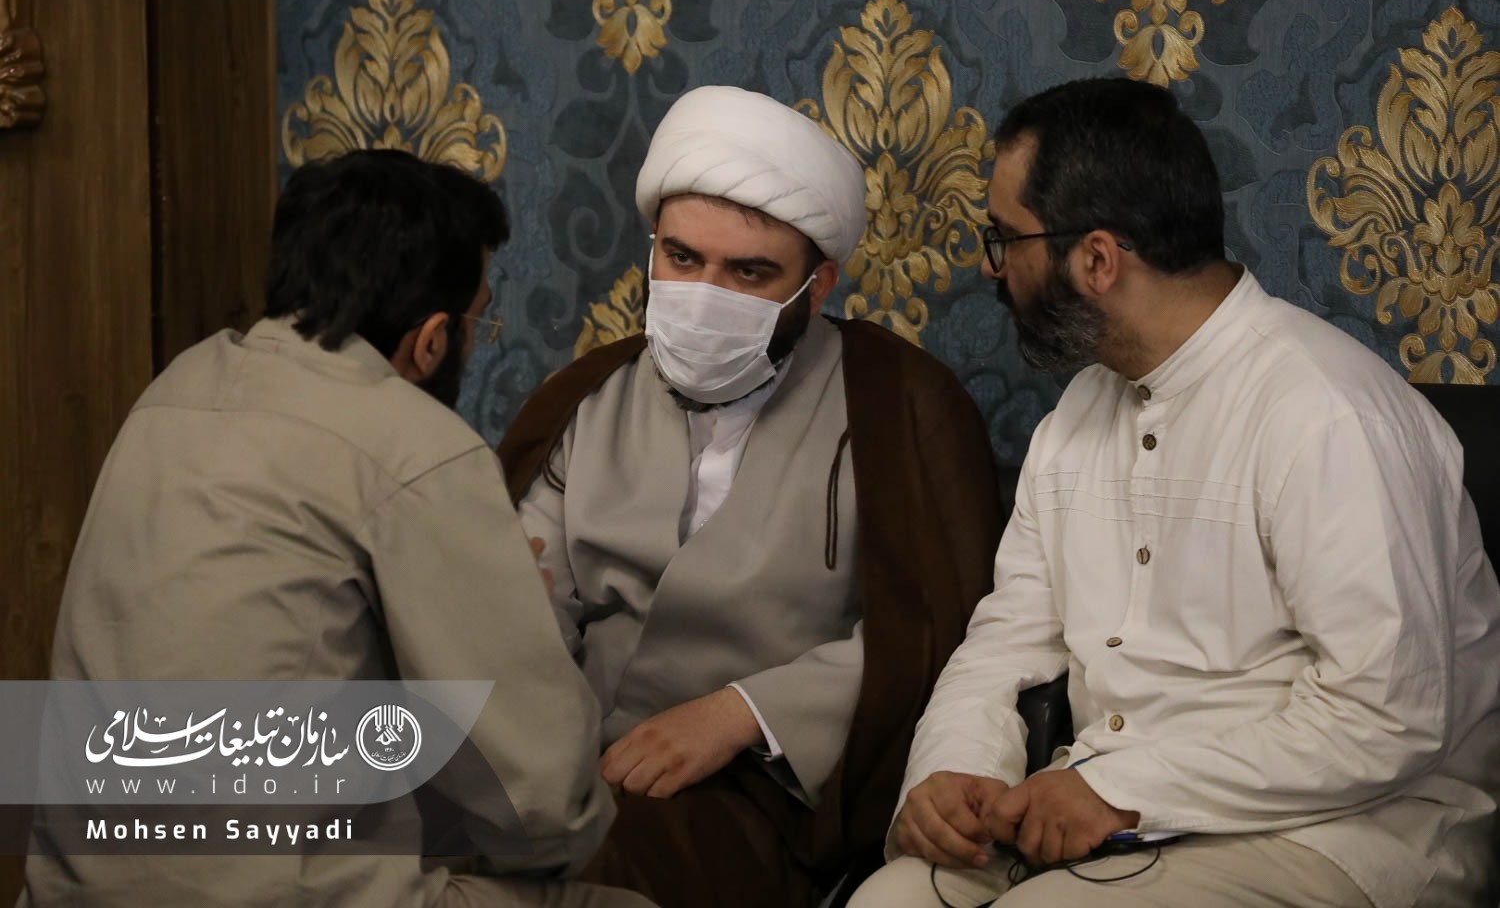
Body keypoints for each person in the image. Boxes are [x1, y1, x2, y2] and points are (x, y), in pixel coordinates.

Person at [849, 77, 1500, 907]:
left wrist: (1124, 791)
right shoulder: (1080, 413)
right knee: (890, 900)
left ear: (1096, 259)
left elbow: (1390, 717)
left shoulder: (1327, 413)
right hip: (1107, 809)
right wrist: (954, 771)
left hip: (1344, 834)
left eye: (1005, 238)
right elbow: (1009, 639)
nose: (991, 266)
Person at [22, 150, 653, 908]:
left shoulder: (171, 392)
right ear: (431, 339)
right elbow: (545, 808)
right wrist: (516, 610)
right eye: (476, 322)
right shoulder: (415, 444)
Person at [496, 85, 1004, 908]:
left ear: (818, 284)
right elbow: (524, 594)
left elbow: (932, 632)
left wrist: (742, 714)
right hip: (565, 751)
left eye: (749, 272)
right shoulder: (590, 395)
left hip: (763, 789)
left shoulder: (900, 404)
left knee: (589, 875)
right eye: (682, 258)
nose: (705, 294)